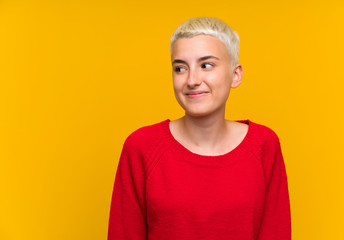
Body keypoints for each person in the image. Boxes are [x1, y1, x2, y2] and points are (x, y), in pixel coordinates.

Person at [107, 16, 291, 240]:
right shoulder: (141, 147)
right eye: (180, 68)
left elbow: (276, 232)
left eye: (206, 65)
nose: (192, 80)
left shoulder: (264, 144)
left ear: (235, 74)